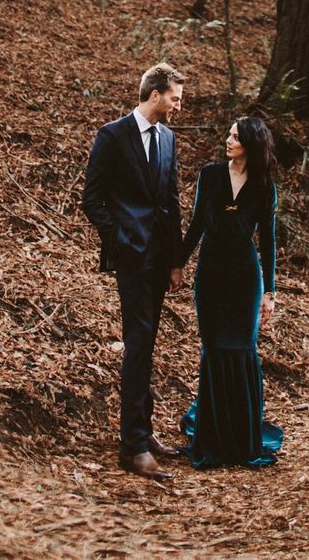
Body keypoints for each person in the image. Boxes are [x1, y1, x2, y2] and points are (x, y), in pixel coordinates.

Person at [81, 63, 185, 481]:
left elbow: (172, 200)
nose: (178, 105)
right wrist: (120, 242)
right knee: (138, 344)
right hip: (132, 257)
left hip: (160, 260)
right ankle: (133, 446)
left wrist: (176, 260)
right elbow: (92, 199)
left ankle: (144, 431)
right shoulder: (112, 135)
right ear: (155, 93)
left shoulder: (168, 138)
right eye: (175, 97)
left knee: (147, 344)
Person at [179, 116, 283, 468]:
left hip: (244, 279)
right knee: (214, 351)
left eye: (235, 137)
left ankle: (241, 437)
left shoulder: (264, 185)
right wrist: (177, 264)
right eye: (228, 134)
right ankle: (212, 438)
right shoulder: (210, 175)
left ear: (251, 144)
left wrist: (269, 291)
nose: (228, 140)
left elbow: (267, 240)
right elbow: (195, 225)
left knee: (241, 350)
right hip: (210, 277)